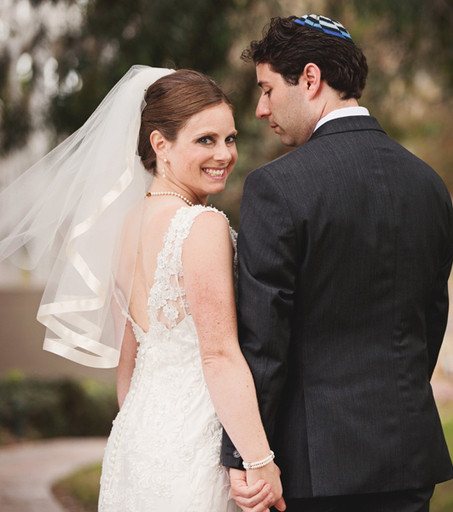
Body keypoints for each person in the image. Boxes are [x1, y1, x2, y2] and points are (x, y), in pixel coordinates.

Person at [0, 66, 282, 511]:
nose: (225, 154)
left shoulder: (124, 226)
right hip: (195, 443)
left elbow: (128, 361)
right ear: (160, 144)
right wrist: (259, 460)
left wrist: (142, 433)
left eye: (229, 138)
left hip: (136, 441)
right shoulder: (201, 226)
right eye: (205, 140)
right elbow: (219, 355)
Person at [225, 15, 453, 512]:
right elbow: (429, 323)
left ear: (310, 79)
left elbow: (264, 342)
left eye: (267, 89)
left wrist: (247, 455)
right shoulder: (429, 184)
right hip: (410, 456)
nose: (261, 108)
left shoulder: (276, 187)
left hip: (314, 465)